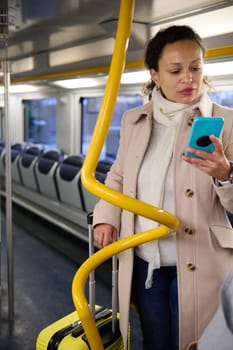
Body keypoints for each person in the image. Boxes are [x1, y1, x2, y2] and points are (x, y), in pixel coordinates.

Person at [92, 25, 233, 350]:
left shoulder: (225, 123)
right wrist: (106, 215)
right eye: (175, 70)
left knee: (196, 342)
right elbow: (118, 176)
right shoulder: (134, 120)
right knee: (155, 339)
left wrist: (226, 173)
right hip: (145, 256)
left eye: (195, 68)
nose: (189, 78)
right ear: (155, 74)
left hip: (203, 256)